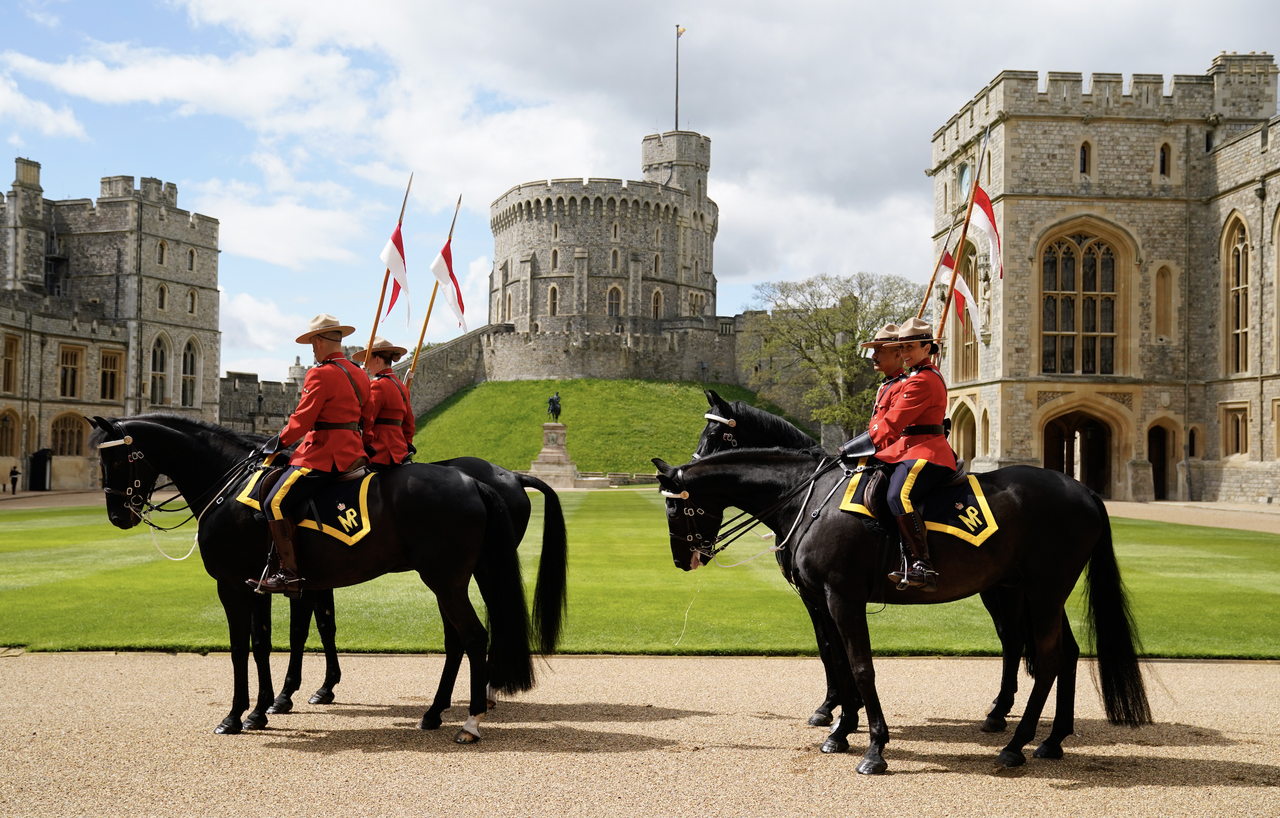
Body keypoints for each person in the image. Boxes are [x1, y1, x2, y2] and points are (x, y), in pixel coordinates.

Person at [249, 314, 374, 595]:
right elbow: (368, 418)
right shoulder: (360, 374)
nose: (312, 349)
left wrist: (277, 442)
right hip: (353, 454)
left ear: (319, 341)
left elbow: (303, 421)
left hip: (323, 455)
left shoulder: (319, 373)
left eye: (312, 343)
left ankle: (289, 573)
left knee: (274, 502)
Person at [872, 317, 957, 592]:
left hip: (927, 451)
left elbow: (892, 423)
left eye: (910, 347)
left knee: (899, 495)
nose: (905, 354)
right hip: (907, 449)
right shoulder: (914, 376)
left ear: (927, 347)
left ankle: (922, 564)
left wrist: (852, 447)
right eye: (903, 348)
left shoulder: (923, 380)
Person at [353, 336, 415, 469]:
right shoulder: (402, 387)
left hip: (379, 452)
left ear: (377, 359)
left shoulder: (376, 385)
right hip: (400, 452)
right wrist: (405, 444)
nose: (366, 365)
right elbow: (409, 425)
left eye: (367, 360)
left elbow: (367, 420)